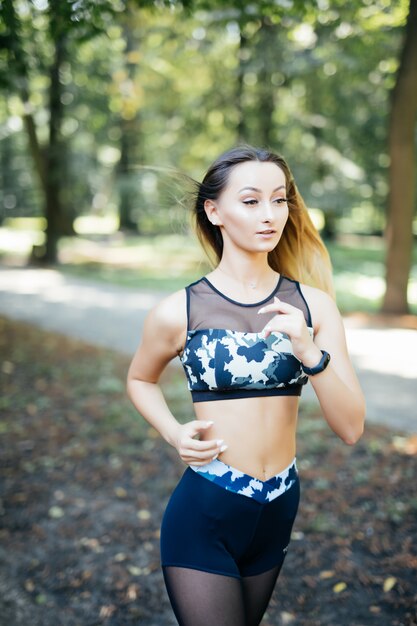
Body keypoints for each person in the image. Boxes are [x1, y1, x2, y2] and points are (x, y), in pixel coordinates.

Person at [126, 145, 366, 626]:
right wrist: (175, 433)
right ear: (214, 211)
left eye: (280, 200)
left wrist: (310, 352)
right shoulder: (180, 310)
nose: (270, 214)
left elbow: (352, 428)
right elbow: (139, 379)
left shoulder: (314, 307)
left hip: (278, 508)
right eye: (252, 201)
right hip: (206, 511)